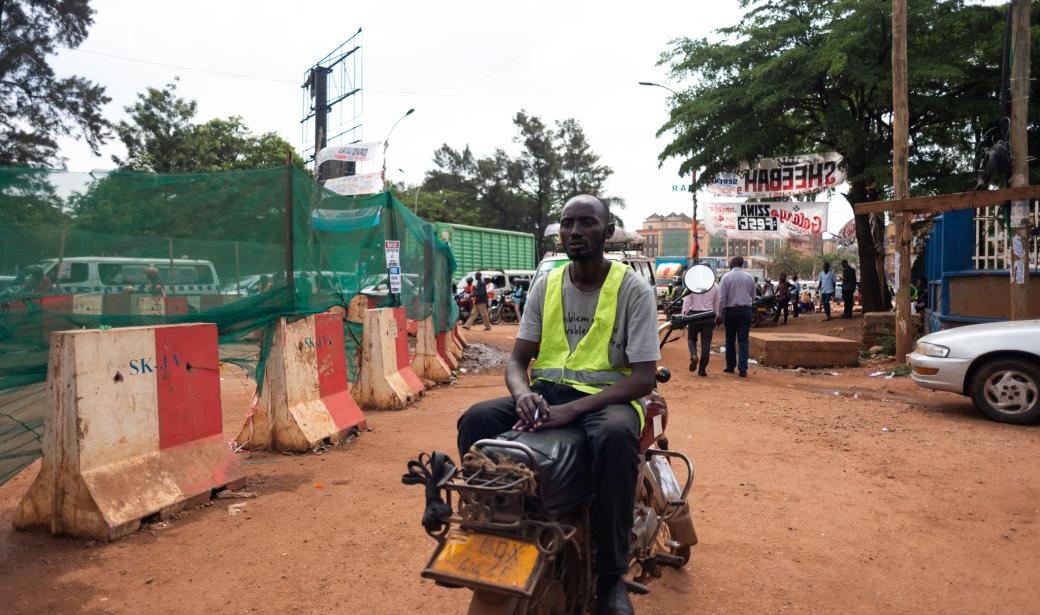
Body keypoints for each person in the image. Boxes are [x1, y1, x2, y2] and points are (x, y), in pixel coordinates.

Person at [458, 195, 658, 615]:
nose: (575, 232)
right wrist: (523, 394)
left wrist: (574, 411)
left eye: (587, 223)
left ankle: (610, 577)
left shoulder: (632, 288)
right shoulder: (546, 284)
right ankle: (497, 526)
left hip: (607, 401)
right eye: (567, 224)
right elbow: (517, 362)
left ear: (607, 233)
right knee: (475, 420)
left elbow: (642, 378)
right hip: (547, 397)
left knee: (616, 436)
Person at [719, 255, 756, 377]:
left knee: (729, 340)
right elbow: (753, 296)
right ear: (742, 264)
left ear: (732, 264)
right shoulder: (749, 277)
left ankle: (730, 366)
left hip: (730, 312)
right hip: (745, 311)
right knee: (743, 340)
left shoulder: (726, 277)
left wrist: (720, 313)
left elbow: (722, 298)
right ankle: (743, 369)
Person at [682, 270, 720, 376]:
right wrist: (715, 317)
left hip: (694, 315)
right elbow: (717, 304)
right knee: (706, 343)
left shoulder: (692, 284)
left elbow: (687, 302)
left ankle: (694, 356)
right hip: (708, 316)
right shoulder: (715, 285)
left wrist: (684, 317)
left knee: (691, 339)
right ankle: (702, 369)